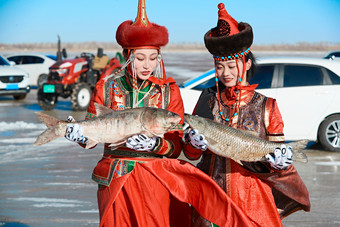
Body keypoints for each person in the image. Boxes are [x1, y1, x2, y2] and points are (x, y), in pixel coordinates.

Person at [64, 1, 261, 226]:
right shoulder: (106, 86)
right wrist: (78, 135)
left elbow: (176, 146)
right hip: (116, 178)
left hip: (154, 178)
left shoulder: (168, 91)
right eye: (140, 58)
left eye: (152, 58)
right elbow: (91, 131)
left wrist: (154, 146)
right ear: (127, 55)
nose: (147, 65)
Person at [183, 3, 311, 227]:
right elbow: (191, 154)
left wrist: (280, 163)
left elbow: (273, 157)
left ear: (247, 63)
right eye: (220, 67)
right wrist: (193, 143)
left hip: (252, 199)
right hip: (211, 196)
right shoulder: (207, 99)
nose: (226, 73)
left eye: (232, 66)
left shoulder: (267, 105)